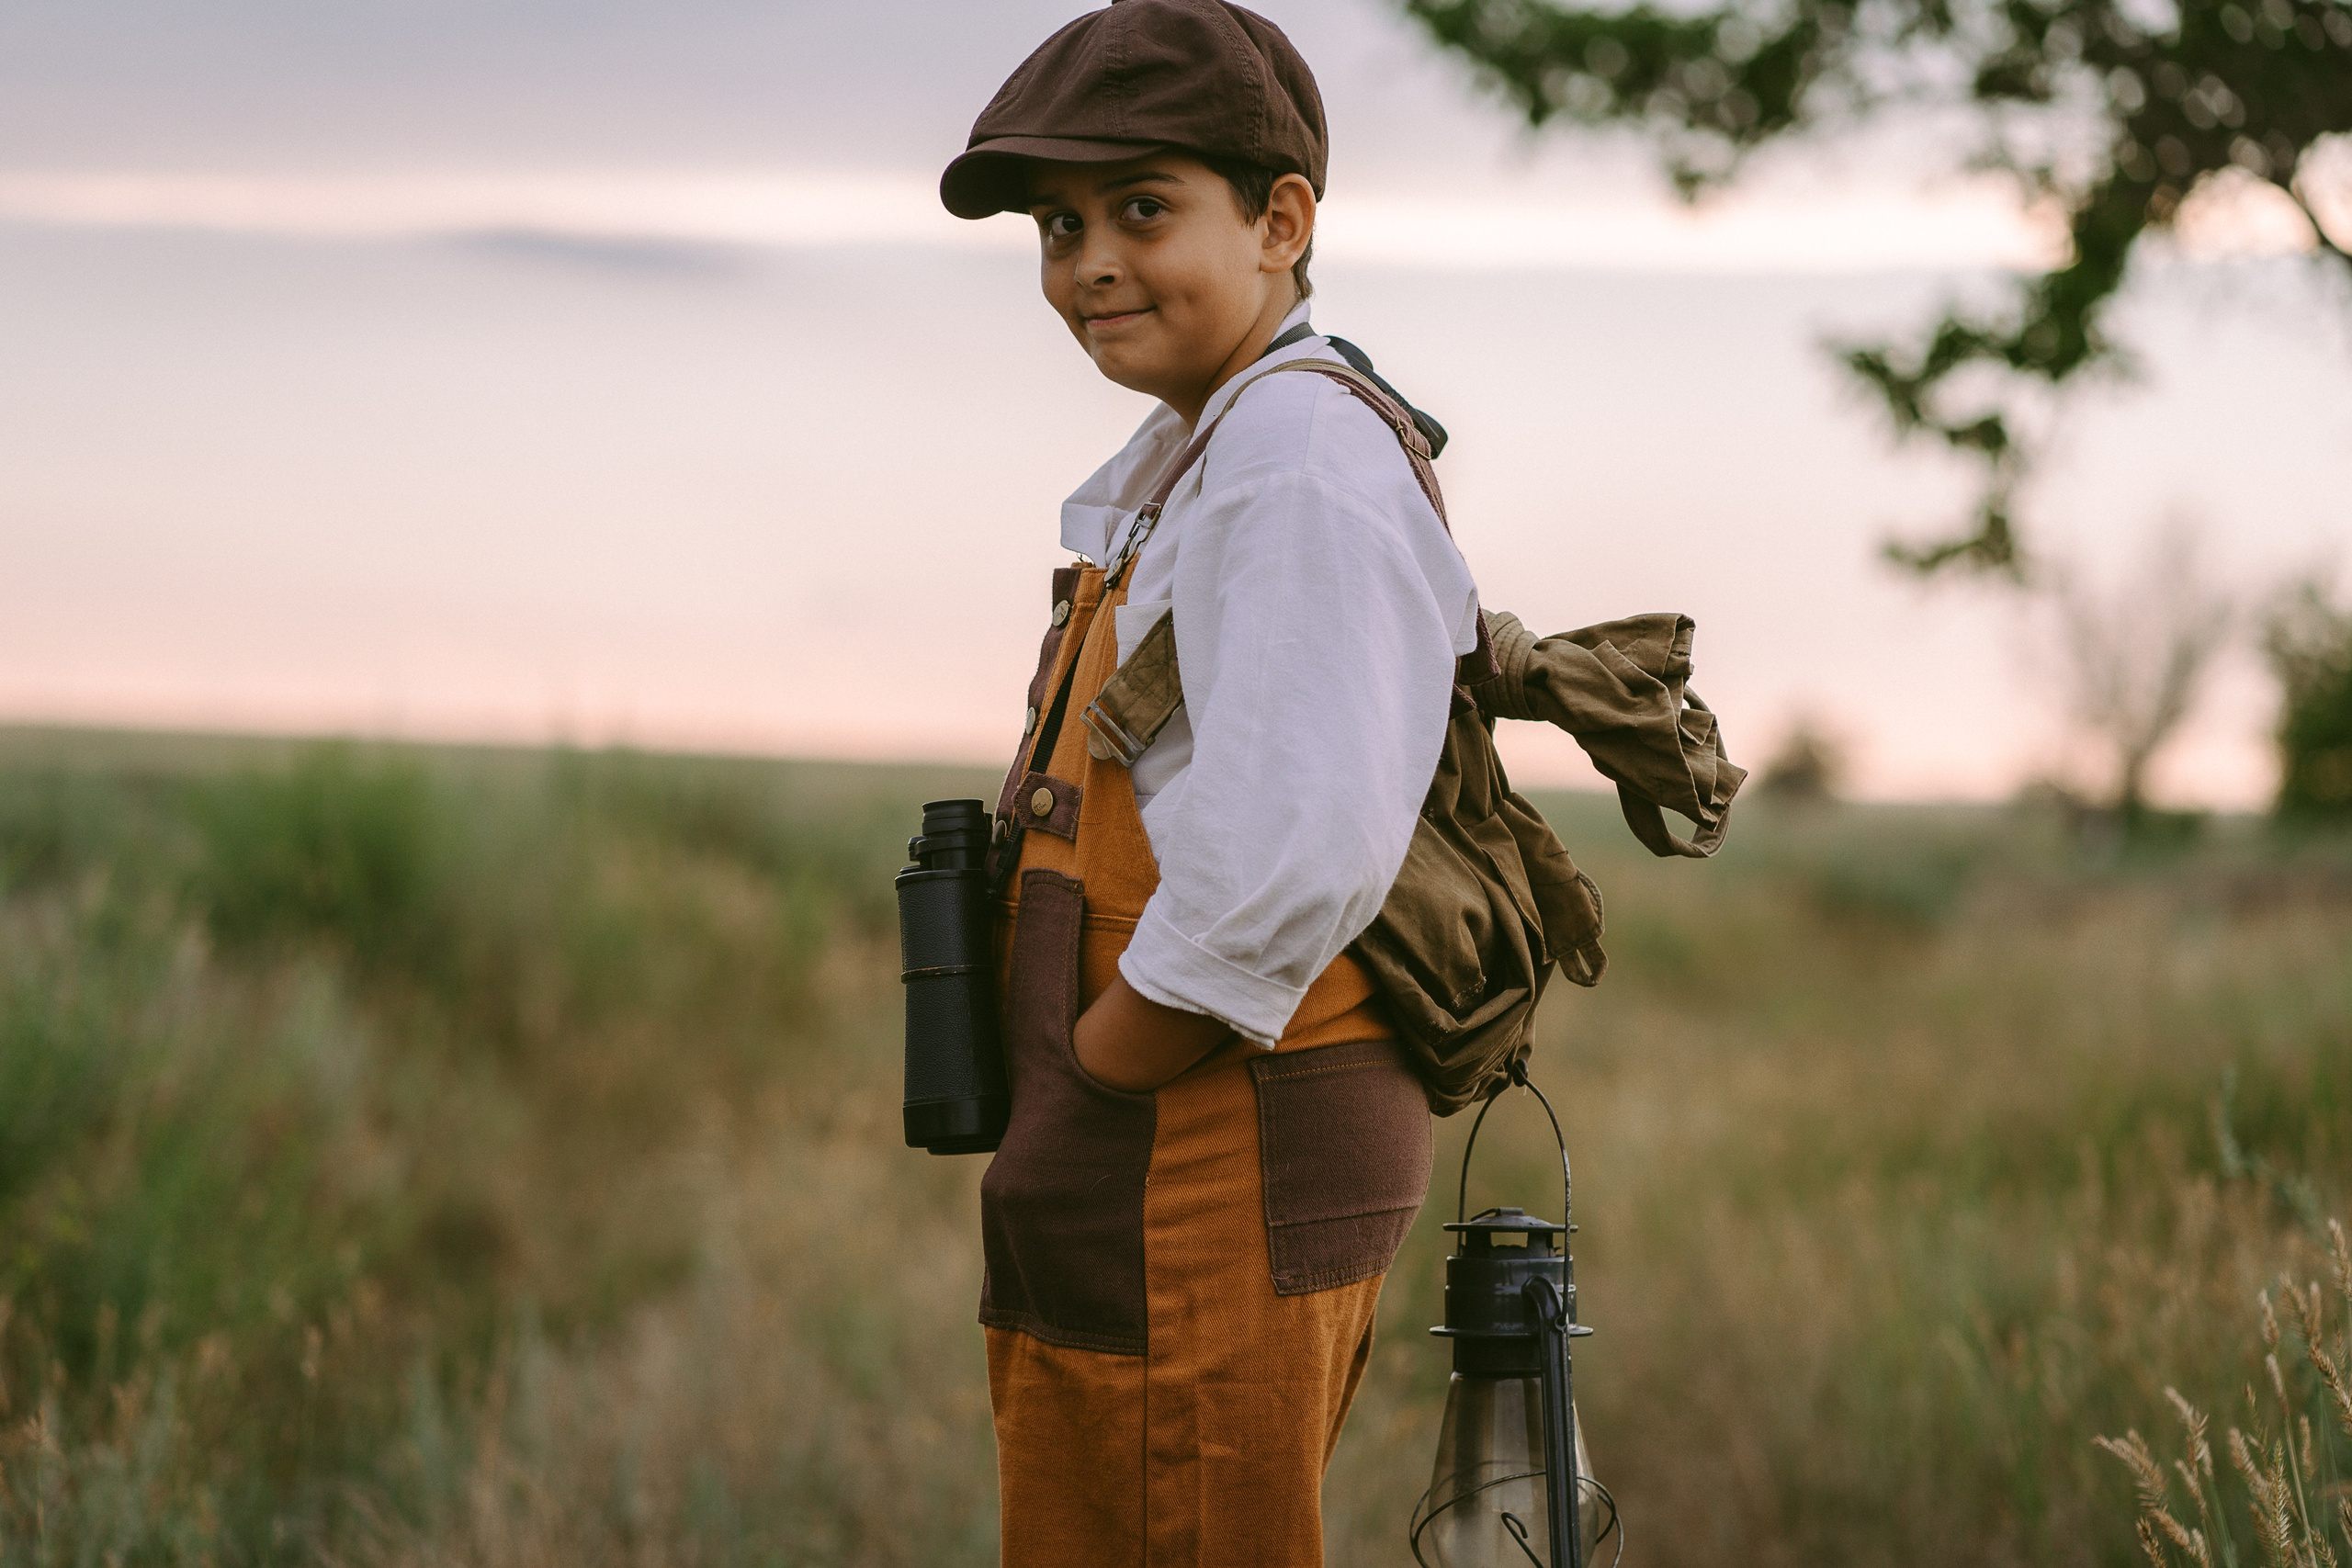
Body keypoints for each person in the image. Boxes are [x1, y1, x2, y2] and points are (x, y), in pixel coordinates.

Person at [939, 3, 1486, 1562]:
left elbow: (1286, 859)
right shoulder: (1214, 447)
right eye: (1059, 225)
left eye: (1143, 209)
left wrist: (1099, 1078)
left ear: (1282, 219)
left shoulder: (1295, 462)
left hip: (1197, 1132)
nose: (1089, 261)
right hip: (1168, 1130)